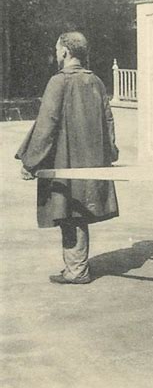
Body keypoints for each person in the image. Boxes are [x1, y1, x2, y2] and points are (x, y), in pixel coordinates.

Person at [16, 32, 119, 284]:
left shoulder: (58, 81)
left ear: (65, 52)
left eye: (57, 49)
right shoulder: (96, 82)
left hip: (64, 159)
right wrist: (109, 155)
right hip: (91, 161)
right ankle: (76, 267)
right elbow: (108, 123)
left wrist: (31, 161)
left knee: (68, 211)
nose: (55, 53)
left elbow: (46, 125)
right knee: (77, 212)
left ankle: (77, 271)